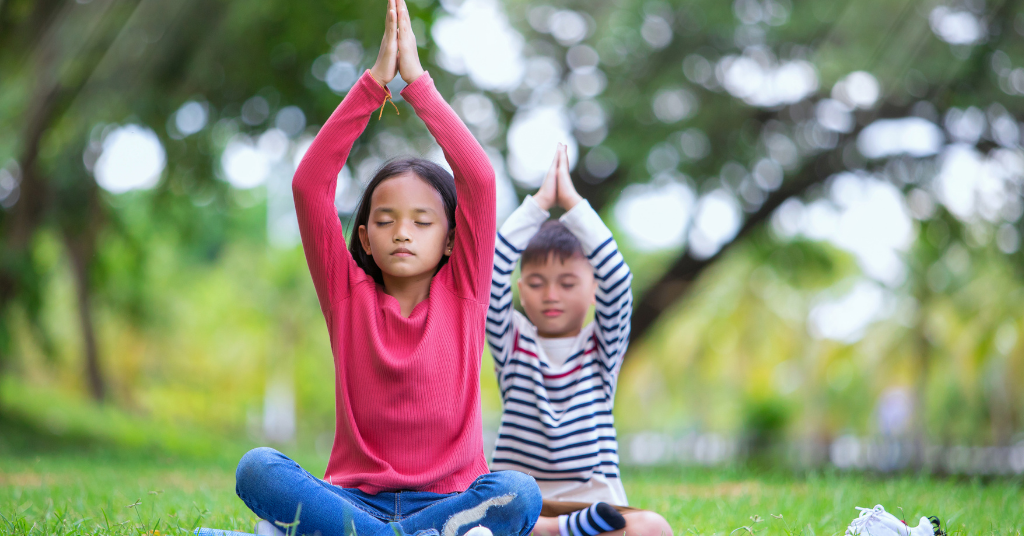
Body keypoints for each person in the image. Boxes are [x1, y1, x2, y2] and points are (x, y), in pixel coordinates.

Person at [231, 1, 541, 535]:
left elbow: (479, 182)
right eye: (386, 220)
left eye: (422, 222)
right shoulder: (346, 294)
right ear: (365, 239)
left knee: (518, 493)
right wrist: (374, 83)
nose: (402, 232)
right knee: (257, 468)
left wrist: (416, 83)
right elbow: (310, 185)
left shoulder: (466, 289)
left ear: (451, 241)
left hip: (447, 501)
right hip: (352, 500)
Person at [485, 146, 673, 536]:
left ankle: (558, 529)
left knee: (653, 527)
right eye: (536, 284)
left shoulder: (601, 349)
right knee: (481, 522)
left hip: (596, 506)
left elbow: (620, 281)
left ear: (593, 292)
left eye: (567, 283)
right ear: (520, 290)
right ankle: (555, 530)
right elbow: (488, 272)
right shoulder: (511, 341)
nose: (551, 294)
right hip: (523, 502)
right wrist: (537, 205)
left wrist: (572, 203)